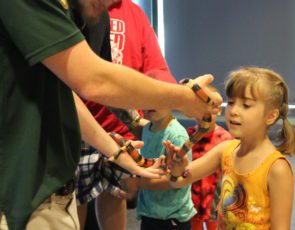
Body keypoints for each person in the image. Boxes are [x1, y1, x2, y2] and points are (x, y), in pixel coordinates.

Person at [0, 0, 221, 229]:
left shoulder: (95, 16)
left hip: (57, 187)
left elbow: (66, 95)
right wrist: (183, 99)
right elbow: (92, 80)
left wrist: (116, 149)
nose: (109, 3)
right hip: (21, 193)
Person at [142, 67, 295, 229]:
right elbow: (179, 181)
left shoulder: (277, 168)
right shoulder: (225, 150)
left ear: (271, 116)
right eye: (231, 102)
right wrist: (177, 169)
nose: (233, 111)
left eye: (246, 105)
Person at [76, 1, 179, 229]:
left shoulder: (133, 13)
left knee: (116, 193)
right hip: (78, 128)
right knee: (75, 198)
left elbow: (156, 67)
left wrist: (172, 101)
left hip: (120, 128)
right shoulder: (76, 10)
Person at [131, 108, 196, 230]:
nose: (151, 104)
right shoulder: (146, 129)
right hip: (149, 213)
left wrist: (138, 184)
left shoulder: (177, 135)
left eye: (158, 98)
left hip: (173, 218)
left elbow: (176, 180)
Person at [186, 86, 233, 230]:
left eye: (208, 110)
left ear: (217, 110)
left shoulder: (226, 139)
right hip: (192, 198)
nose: (203, 115)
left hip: (215, 198)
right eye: (199, 110)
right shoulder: (188, 136)